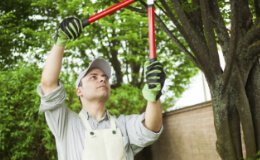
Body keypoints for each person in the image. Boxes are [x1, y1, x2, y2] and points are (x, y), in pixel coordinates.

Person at [37, 17, 166, 160]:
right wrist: (60, 41)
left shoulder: (123, 125)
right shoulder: (67, 124)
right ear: (79, 91)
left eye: (105, 77)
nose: (102, 78)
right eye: (93, 76)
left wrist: (154, 96)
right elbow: (48, 85)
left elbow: (151, 128)